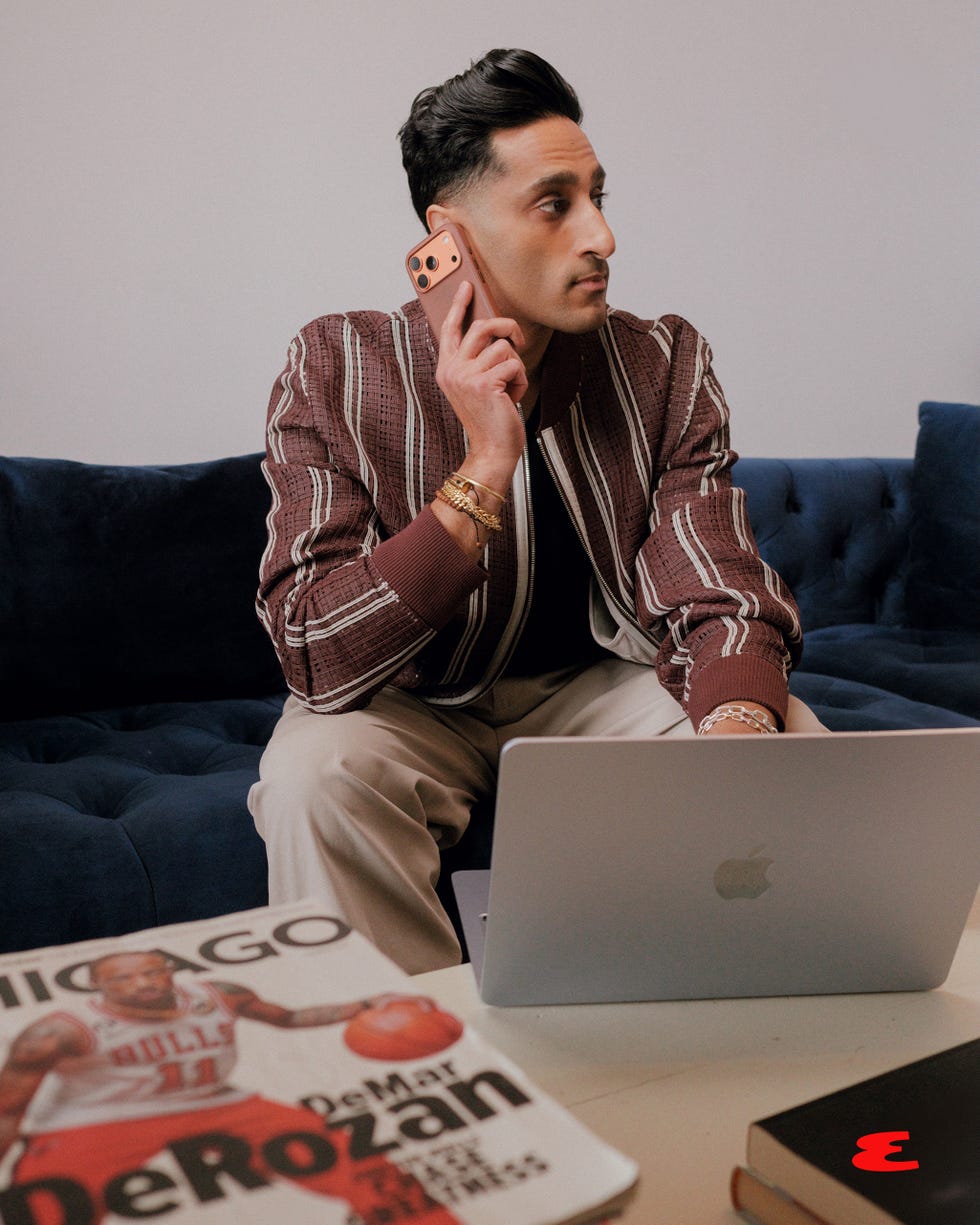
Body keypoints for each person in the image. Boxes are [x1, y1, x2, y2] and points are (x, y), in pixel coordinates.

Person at [249, 48, 824, 976]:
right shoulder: (337, 366)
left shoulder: (662, 362)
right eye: (555, 204)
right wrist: (486, 461)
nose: (603, 236)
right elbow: (314, 647)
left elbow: (717, 581)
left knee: (787, 741)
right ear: (450, 239)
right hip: (409, 701)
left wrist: (738, 732)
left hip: (601, 684)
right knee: (311, 782)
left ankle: (735, 1044)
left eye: (598, 196)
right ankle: (422, 1049)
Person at [0, 951, 457, 1223]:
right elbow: (8, 1109)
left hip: (217, 1103)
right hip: (98, 1120)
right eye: (124, 978)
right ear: (97, 987)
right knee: (46, 1205)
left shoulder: (217, 994)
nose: (143, 983)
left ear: (170, 971)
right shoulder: (59, 1032)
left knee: (366, 1169)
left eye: (153, 972)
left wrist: (368, 1002)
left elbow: (290, 1018)